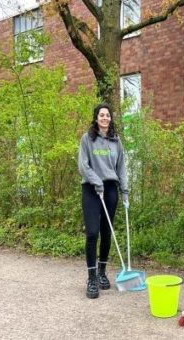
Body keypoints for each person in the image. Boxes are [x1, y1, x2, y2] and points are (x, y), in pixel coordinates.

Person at [78, 103, 129, 299]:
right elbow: (83, 165)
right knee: (92, 232)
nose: (105, 118)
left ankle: (102, 273)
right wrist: (95, 181)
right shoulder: (87, 139)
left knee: (107, 232)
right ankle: (91, 278)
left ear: (110, 118)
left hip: (110, 189)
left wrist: (124, 191)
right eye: (102, 115)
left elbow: (122, 168)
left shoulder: (116, 141)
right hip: (91, 189)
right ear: (96, 118)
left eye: (108, 115)